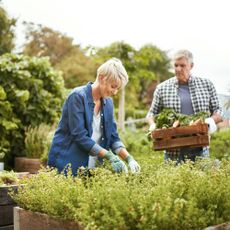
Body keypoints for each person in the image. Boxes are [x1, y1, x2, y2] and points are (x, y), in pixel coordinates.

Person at [48, 58, 140, 175]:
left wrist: (129, 158)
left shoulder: (108, 103)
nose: (115, 92)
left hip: (91, 168)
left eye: (118, 88)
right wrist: (109, 156)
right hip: (67, 164)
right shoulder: (77, 97)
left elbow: (113, 137)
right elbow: (80, 136)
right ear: (102, 78)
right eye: (113, 86)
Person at [147, 49, 223, 162]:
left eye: (182, 65)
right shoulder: (162, 88)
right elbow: (151, 114)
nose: (178, 69)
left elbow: (218, 111)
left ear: (191, 66)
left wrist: (209, 122)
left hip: (200, 148)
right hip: (172, 150)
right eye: (176, 65)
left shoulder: (206, 85)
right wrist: (153, 126)